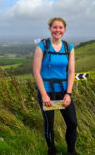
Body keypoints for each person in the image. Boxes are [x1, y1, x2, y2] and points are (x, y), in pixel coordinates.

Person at [33, 17, 77, 155]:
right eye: (54, 27)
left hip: (64, 91)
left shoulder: (69, 47)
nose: (57, 30)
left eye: (60, 27)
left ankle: (71, 151)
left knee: (72, 123)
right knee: (49, 125)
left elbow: (71, 71)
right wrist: (44, 95)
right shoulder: (42, 47)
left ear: (64, 30)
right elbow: (36, 72)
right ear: (50, 28)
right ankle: (52, 150)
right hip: (46, 91)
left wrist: (68, 94)